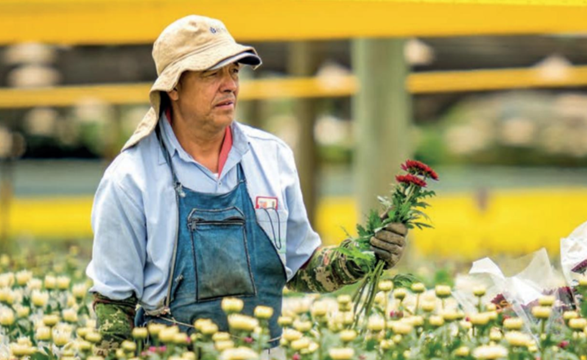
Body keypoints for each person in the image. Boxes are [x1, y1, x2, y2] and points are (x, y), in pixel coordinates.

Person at [85, 15, 408, 353]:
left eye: (234, 71)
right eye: (212, 73)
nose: (230, 85)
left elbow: (302, 266)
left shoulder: (271, 157)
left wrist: (363, 255)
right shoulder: (131, 178)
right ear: (174, 87)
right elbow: (113, 303)